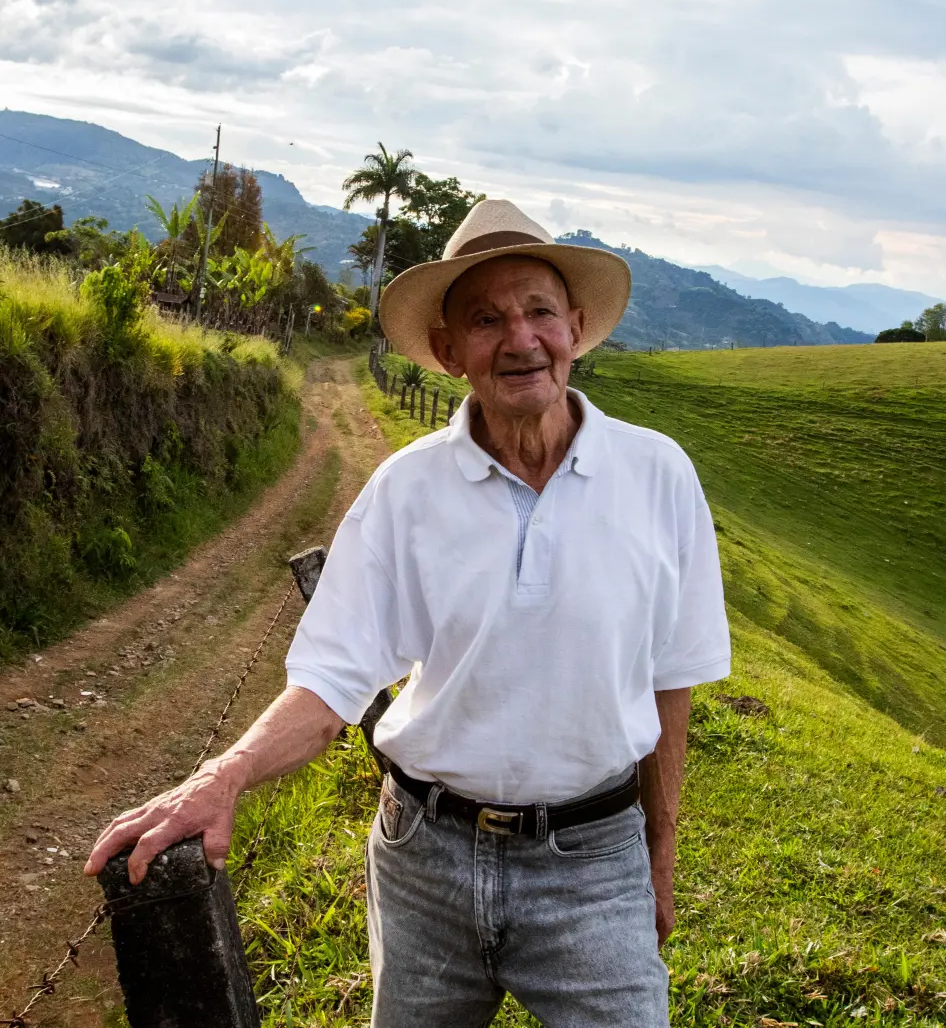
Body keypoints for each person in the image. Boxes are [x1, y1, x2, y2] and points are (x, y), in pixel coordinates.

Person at [86, 199, 731, 1026]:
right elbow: (328, 680)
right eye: (487, 319)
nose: (520, 338)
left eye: (539, 311)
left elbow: (673, 678)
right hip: (426, 858)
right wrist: (222, 777)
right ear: (447, 349)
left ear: (574, 325)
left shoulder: (659, 476)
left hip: (593, 859)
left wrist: (659, 858)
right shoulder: (405, 490)